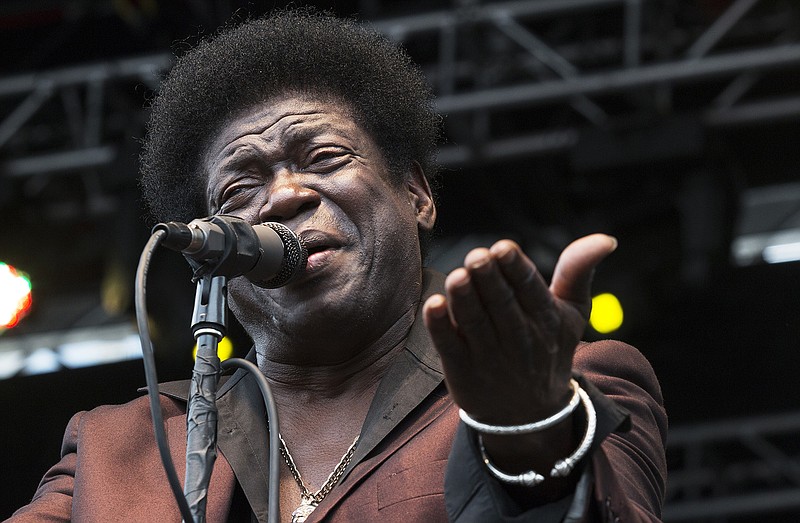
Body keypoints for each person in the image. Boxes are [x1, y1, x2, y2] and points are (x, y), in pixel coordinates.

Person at [8, 9, 666, 522]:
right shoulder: (115, 448)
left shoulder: (580, 383)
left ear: (417, 193)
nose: (286, 194)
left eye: (322, 157)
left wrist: (532, 435)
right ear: (214, 254)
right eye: (240, 190)